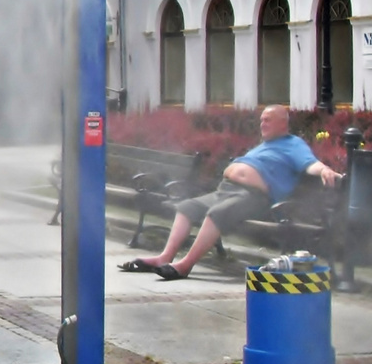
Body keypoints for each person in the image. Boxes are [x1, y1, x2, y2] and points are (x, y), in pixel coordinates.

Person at [120, 105, 342, 280]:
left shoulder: (293, 144)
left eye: (268, 120)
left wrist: (324, 169)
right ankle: (164, 257)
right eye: (261, 119)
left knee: (216, 213)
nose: (262, 123)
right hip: (225, 189)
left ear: (283, 123)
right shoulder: (262, 146)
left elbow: (310, 164)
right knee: (187, 207)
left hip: (253, 196)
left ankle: (185, 265)